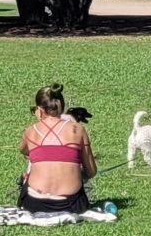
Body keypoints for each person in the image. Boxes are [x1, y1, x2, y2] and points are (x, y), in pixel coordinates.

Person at [17, 83, 97, 213]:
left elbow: (24, 151)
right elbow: (91, 172)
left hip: (34, 204)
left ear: (39, 110)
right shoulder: (78, 129)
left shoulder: (31, 131)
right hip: (71, 205)